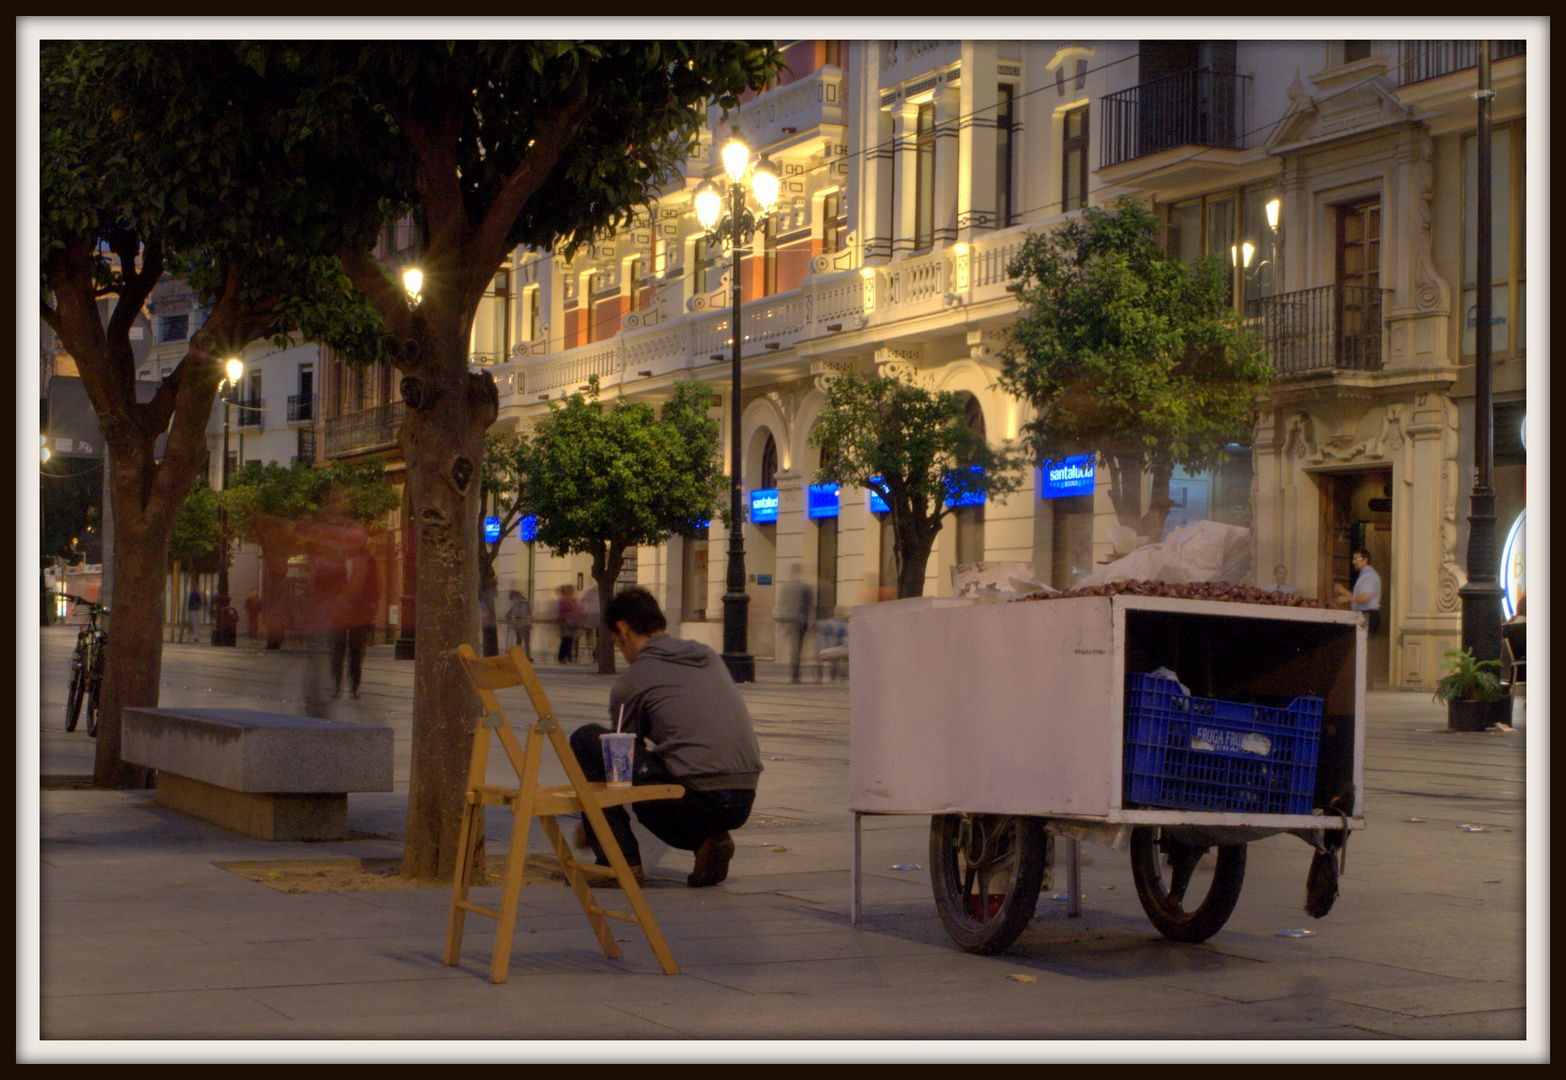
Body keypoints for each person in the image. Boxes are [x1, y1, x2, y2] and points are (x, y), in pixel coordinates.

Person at [568, 587, 761, 888]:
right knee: (667, 765)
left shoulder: (632, 681)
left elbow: (620, 767)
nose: (623, 652)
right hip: (744, 798)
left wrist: (595, 817)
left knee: (587, 738)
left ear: (622, 629)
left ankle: (617, 860)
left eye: (618, 644)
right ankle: (708, 841)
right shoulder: (706, 655)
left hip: (695, 799)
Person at [331, 548, 380, 700]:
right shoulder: (336, 561)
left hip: (359, 615)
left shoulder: (368, 562)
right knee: (338, 651)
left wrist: (372, 610)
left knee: (356, 653)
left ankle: (354, 687)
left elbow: (375, 587)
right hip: (338, 615)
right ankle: (337, 685)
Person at [775, 564, 814, 683]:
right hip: (799, 620)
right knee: (798, 648)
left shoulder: (785, 587)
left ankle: (793, 670)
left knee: (793, 647)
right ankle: (795, 673)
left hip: (787, 620)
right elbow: (809, 606)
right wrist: (809, 622)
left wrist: (781, 621)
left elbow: (781, 603)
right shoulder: (806, 587)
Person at [1335, 548, 1381, 634]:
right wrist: (1343, 591)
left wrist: (1347, 599)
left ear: (1365, 560)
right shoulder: (1364, 575)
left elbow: (1365, 597)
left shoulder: (1369, 575)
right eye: (1353, 559)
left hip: (1367, 615)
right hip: (1363, 614)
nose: (1354, 562)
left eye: (1357, 559)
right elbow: (1359, 596)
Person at [505, 588, 532, 659]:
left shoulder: (520, 602)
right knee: (523, 640)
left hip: (521, 622)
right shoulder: (521, 602)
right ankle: (524, 655)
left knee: (522, 640)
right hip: (522, 622)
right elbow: (529, 612)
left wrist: (509, 618)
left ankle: (523, 655)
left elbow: (509, 613)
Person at [556, 583, 580, 664]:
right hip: (565, 622)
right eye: (570, 590)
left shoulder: (573, 600)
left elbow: (577, 610)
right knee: (565, 640)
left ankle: (568, 657)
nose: (572, 592)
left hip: (573, 622)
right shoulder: (563, 600)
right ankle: (562, 657)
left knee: (570, 640)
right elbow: (562, 611)